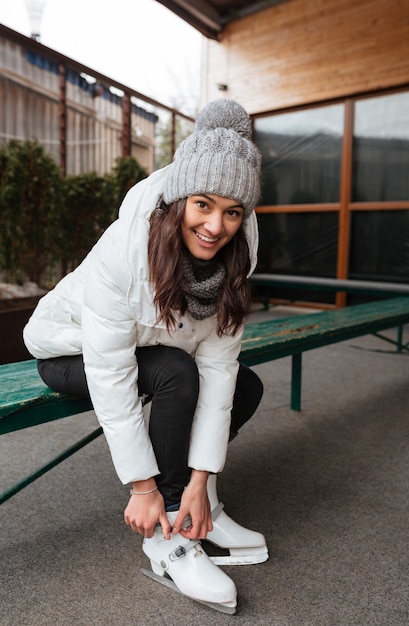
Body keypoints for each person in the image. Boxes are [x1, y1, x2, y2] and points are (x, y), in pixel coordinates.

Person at [23, 99, 268, 614]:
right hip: (68, 347)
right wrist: (143, 487)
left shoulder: (235, 258)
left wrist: (203, 481)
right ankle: (168, 536)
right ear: (180, 199)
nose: (215, 226)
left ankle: (201, 504)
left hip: (149, 349)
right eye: (203, 204)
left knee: (245, 385)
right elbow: (111, 372)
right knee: (177, 373)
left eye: (232, 211)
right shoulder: (127, 251)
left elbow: (220, 368)